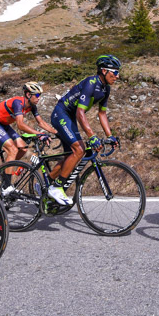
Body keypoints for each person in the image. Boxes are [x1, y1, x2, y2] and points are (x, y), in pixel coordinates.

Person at [48, 55, 121, 205]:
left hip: (70, 117)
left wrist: (110, 136)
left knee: (71, 155)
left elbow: (102, 114)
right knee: (79, 150)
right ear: (104, 71)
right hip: (61, 113)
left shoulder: (105, 88)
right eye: (114, 72)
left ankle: (47, 183)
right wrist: (92, 136)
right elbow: (80, 113)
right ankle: (57, 187)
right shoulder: (91, 83)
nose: (117, 76)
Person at [0, 82, 58, 196]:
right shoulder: (18, 102)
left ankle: (5, 172)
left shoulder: (32, 106)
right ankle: (7, 186)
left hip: (4, 125)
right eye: (37, 95)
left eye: (40, 96)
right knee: (12, 149)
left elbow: (41, 122)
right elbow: (20, 125)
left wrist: (56, 132)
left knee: (23, 148)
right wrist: (39, 134)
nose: (39, 98)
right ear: (28, 95)